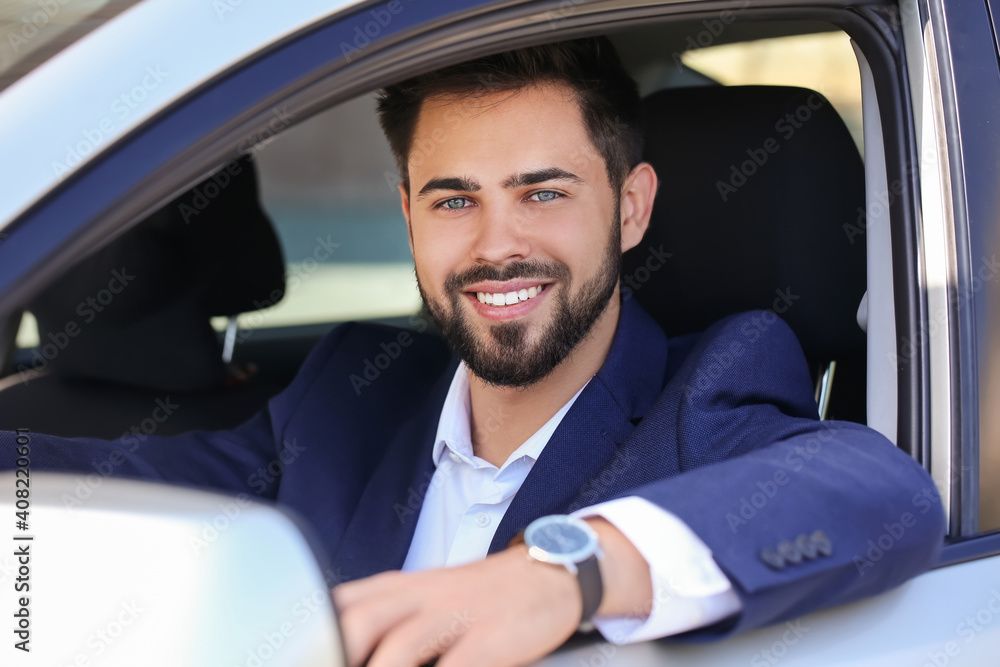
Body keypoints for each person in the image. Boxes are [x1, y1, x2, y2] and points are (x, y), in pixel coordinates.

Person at [0, 37, 943, 667]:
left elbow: (878, 489)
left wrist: (564, 572)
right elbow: (105, 482)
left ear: (630, 206)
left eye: (543, 192)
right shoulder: (348, 395)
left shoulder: (710, 386)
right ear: (408, 217)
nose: (496, 244)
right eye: (455, 200)